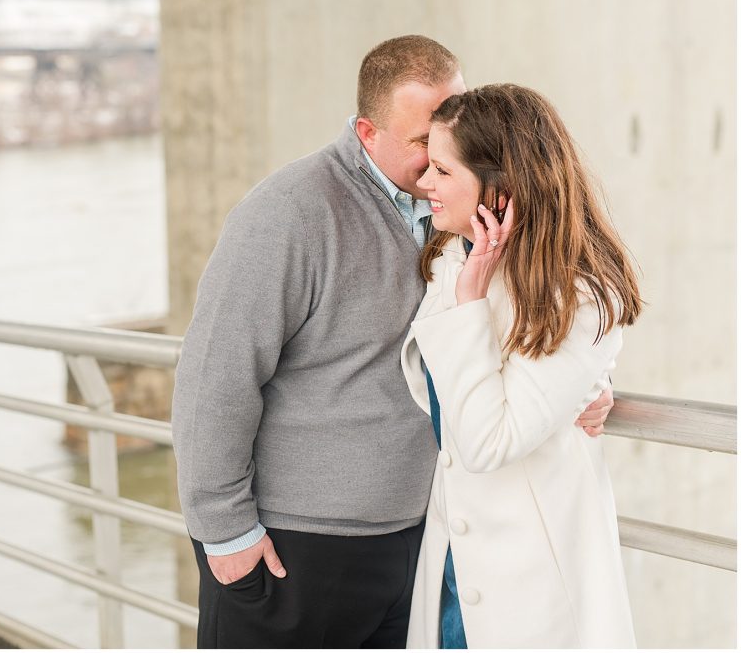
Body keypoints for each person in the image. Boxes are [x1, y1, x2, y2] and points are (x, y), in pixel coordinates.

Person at [171, 36, 613, 648]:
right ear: (366, 132)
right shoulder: (289, 213)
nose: (438, 155)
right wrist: (224, 531)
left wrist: (581, 383)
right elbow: (213, 378)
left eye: (449, 137)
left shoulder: (457, 232)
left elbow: (520, 327)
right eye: (421, 144)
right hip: (296, 549)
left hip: (418, 543)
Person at [402, 83, 641, 648]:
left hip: (529, 592)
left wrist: (472, 305)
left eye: (442, 170)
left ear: (500, 188)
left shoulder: (580, 296)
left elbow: (486, 443)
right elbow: (445, 400)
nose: (423, 183)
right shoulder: (452, 260)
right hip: (451, 570)